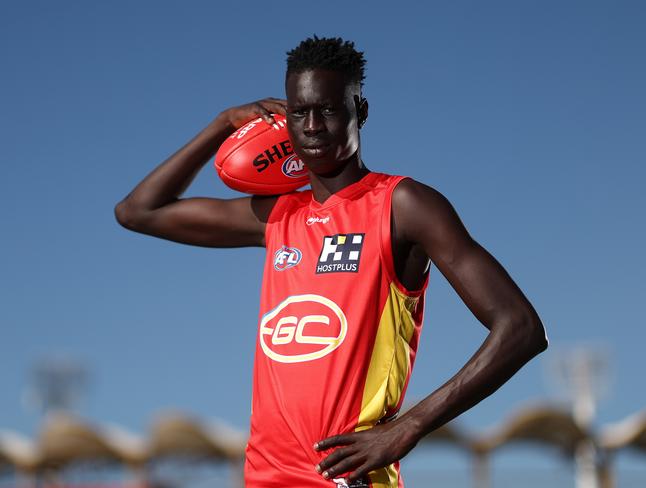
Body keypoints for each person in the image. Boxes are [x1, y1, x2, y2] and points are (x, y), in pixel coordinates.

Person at [115, 36, 548, 488]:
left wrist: (409, 426)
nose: (313, 126)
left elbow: (520, 328)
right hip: (265, 477)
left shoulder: (404, 205)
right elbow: (138, 212)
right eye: (299, 112)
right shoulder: (279, 214)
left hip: (350, 478)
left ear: (360, 110)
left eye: (329, 109)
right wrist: (223, 123)